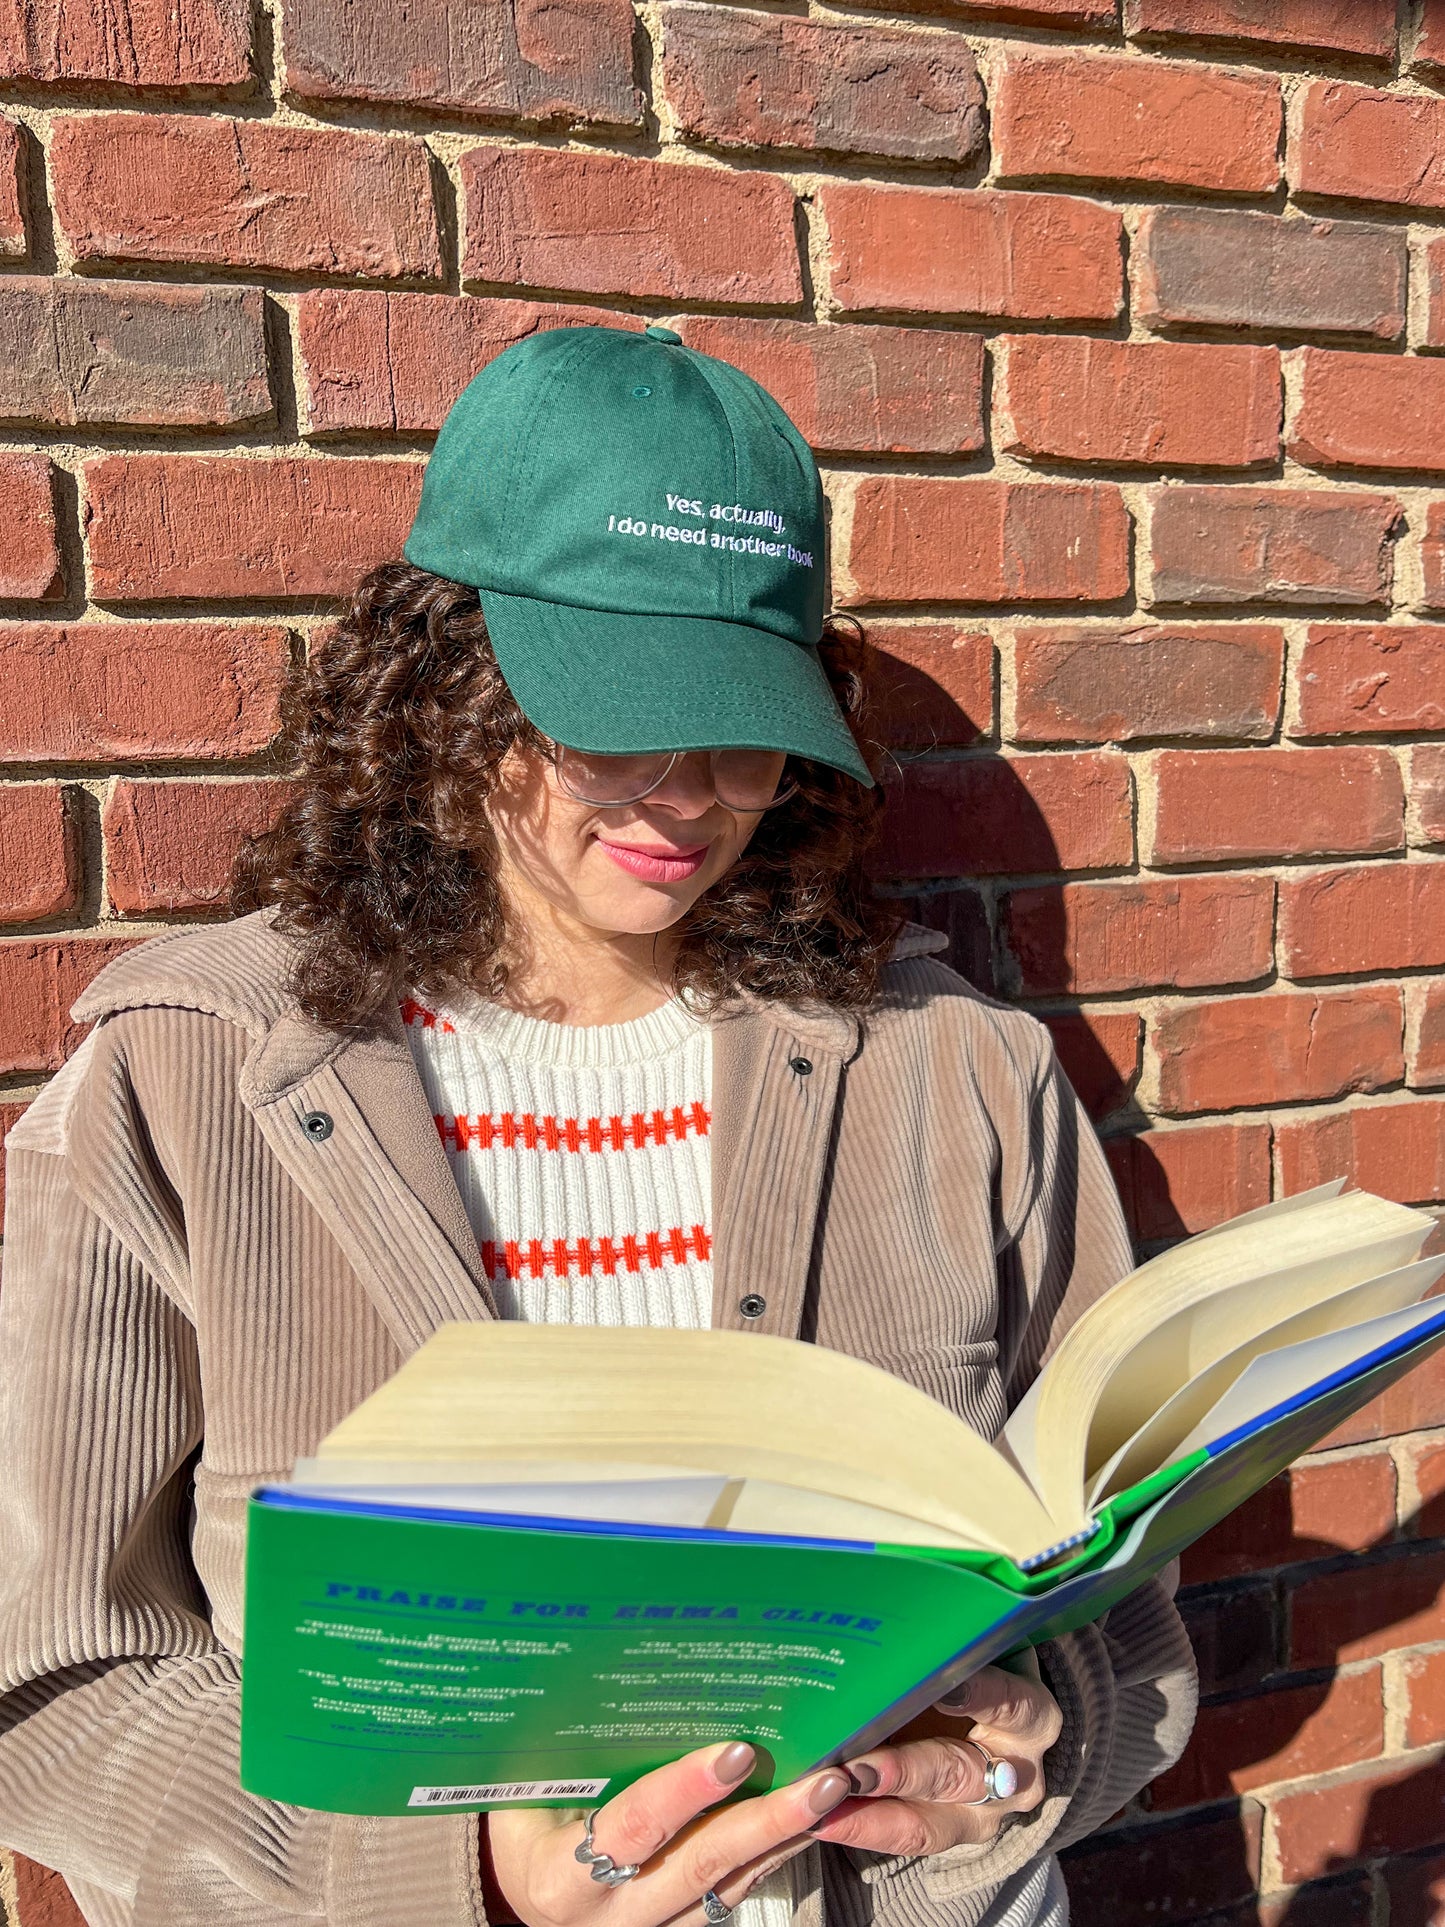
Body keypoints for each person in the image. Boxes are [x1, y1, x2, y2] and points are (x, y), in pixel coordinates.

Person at [0, 323, 1196, 1927]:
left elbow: (1121, 1612)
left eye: (743, 724)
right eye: (613, 716)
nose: (688, 794)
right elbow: (48, 1673)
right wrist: (449, 1868)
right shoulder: (191, 1082)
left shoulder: (954, 1072)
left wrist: (1020, 1766)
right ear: (443, 684)